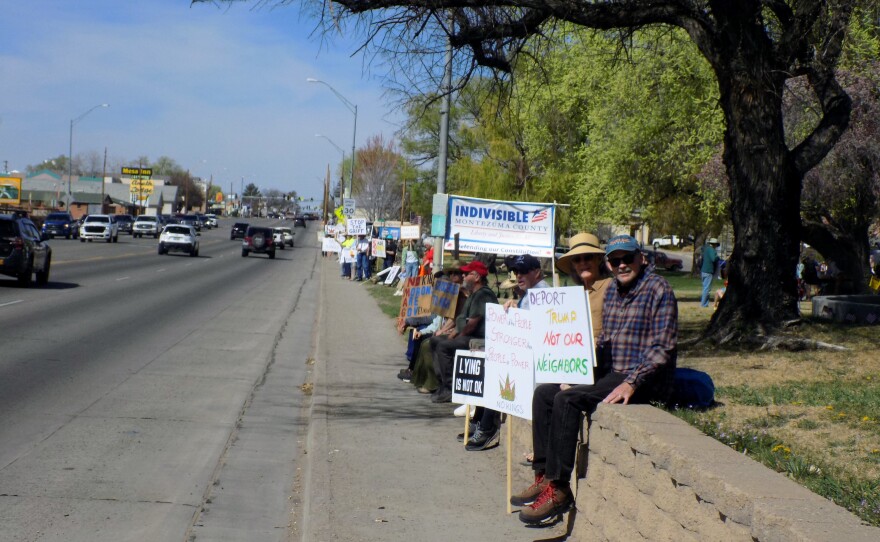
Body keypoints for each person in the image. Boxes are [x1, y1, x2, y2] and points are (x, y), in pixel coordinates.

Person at [513, 234, 677, 525]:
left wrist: (632, 382)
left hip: (641, 377)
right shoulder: (614, 290)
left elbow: (662, 348)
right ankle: (543, 474)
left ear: (640, 257)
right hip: (612, 370)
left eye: (628, 258)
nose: (622, 264)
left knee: (568, 399)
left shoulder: (658, 289)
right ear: (610, 264)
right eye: (616, 260)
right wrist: (577, 368)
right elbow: (604, 340)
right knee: (545, 394)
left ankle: (559, 488)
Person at [429, 261, 498, 404]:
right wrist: (450, 335)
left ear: (477, 277)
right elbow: (461, 320)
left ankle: (450, 388)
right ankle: (442, 382)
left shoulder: (482, 295)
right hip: (468, 335)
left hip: (478, 337)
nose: (464, 276)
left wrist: (456, 338)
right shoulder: (474, 294)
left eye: (467, 274)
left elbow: (472, 325)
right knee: (436, 340)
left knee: (444, 347)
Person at [700, 237, 720, 307]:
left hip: (703, 270)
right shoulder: (712, 250)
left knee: (705, 287)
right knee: (707, 289)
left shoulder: (706, 249)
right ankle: (703, 304)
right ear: (714, 244)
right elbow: (713, 259)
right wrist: (718, 257)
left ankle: (705, 303)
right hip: (708, 271)